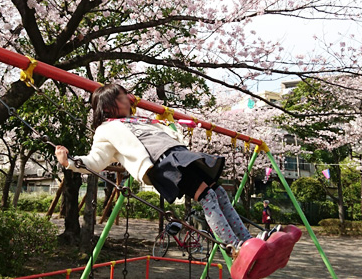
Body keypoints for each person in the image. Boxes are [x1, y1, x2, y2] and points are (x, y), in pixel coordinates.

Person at [55, 83, 252, 252]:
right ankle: (234, 247)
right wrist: (69, 162)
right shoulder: (106, 130)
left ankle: (248, 242)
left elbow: (166, 130)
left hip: (179, 153)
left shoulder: (139, 119)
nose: (127, 100)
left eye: (125, 96)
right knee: (207, 195)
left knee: (219, 193)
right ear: (108, 107)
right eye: (121, 97)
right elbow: (96, 160)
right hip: (163, 163)